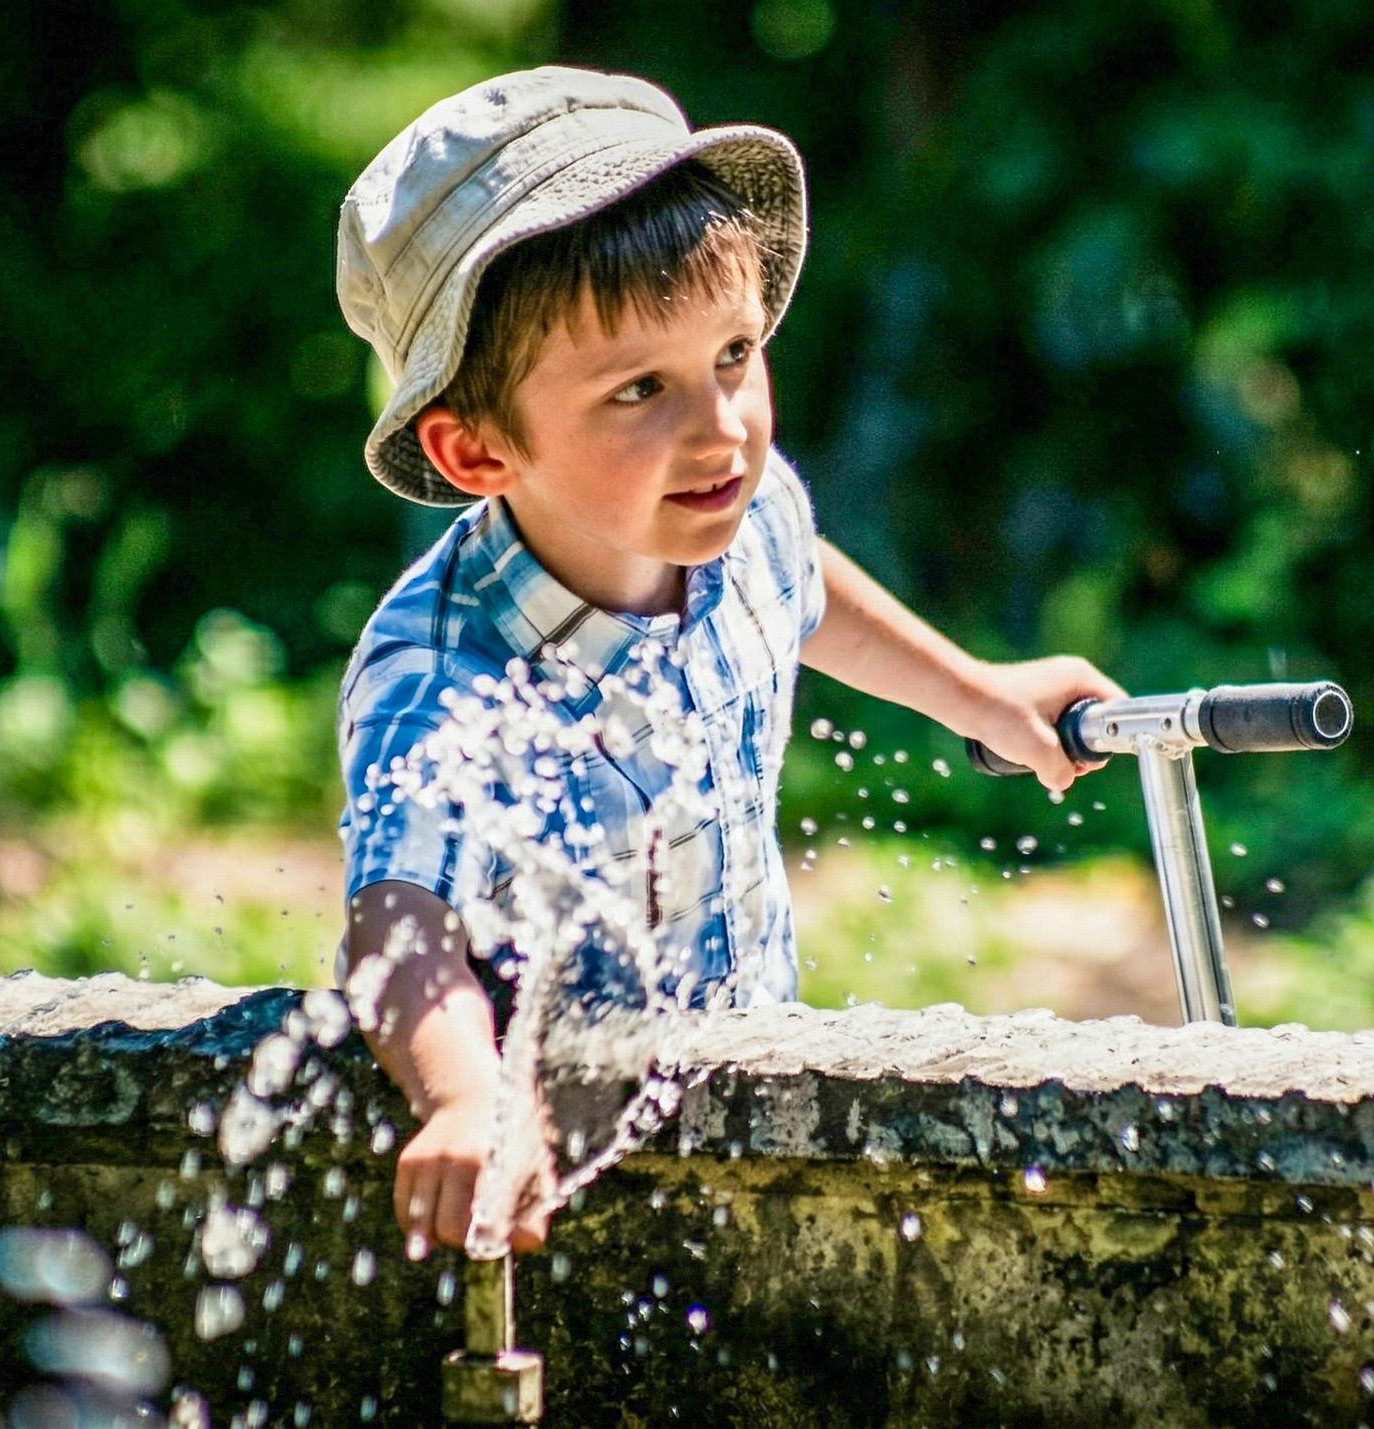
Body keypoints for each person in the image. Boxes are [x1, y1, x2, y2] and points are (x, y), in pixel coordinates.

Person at [332, 67, 1120, 1261]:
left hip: (747, 1066)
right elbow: (399, 919)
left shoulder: (733, 513)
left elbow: (802, 585)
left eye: (736, 353)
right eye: (639, 389)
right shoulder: (448, 676)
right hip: (544, 1158)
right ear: (477, 447)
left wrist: (980, 692)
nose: (723, 429)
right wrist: (465, 1098)